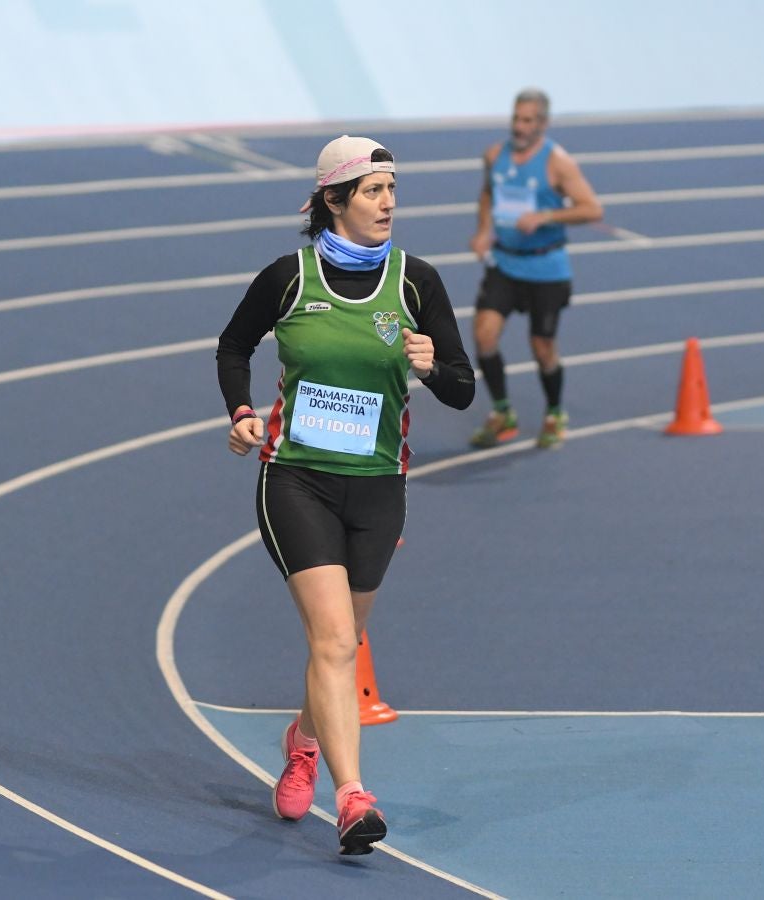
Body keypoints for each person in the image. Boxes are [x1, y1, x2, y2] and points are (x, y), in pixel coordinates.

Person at [216, 135, 474, 855]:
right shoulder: (288, 279)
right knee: (332, 641)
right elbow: (233, 346)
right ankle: (353, 797)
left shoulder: (417, 283)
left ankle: (302, 740)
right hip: (296, 477)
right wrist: (241, 414)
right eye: (372, 190)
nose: (388, 202)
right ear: (333, 199)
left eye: (392, 188)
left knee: (340, 642)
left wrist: (431, 366)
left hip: (377, 488)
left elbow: (462, 388)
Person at [468, 88, 603, 449]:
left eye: (527, 120)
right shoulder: (494, 155)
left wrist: (545, 216)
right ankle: (502, 413)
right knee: (483, 335)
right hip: (506, 262)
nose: (519, 126)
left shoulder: (558, 162)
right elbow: (487, 194)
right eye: (516, 118)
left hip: (546, 267)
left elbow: (592, 209)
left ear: (542, 123)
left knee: (542, 347)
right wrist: (484, 231)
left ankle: (555, 413)